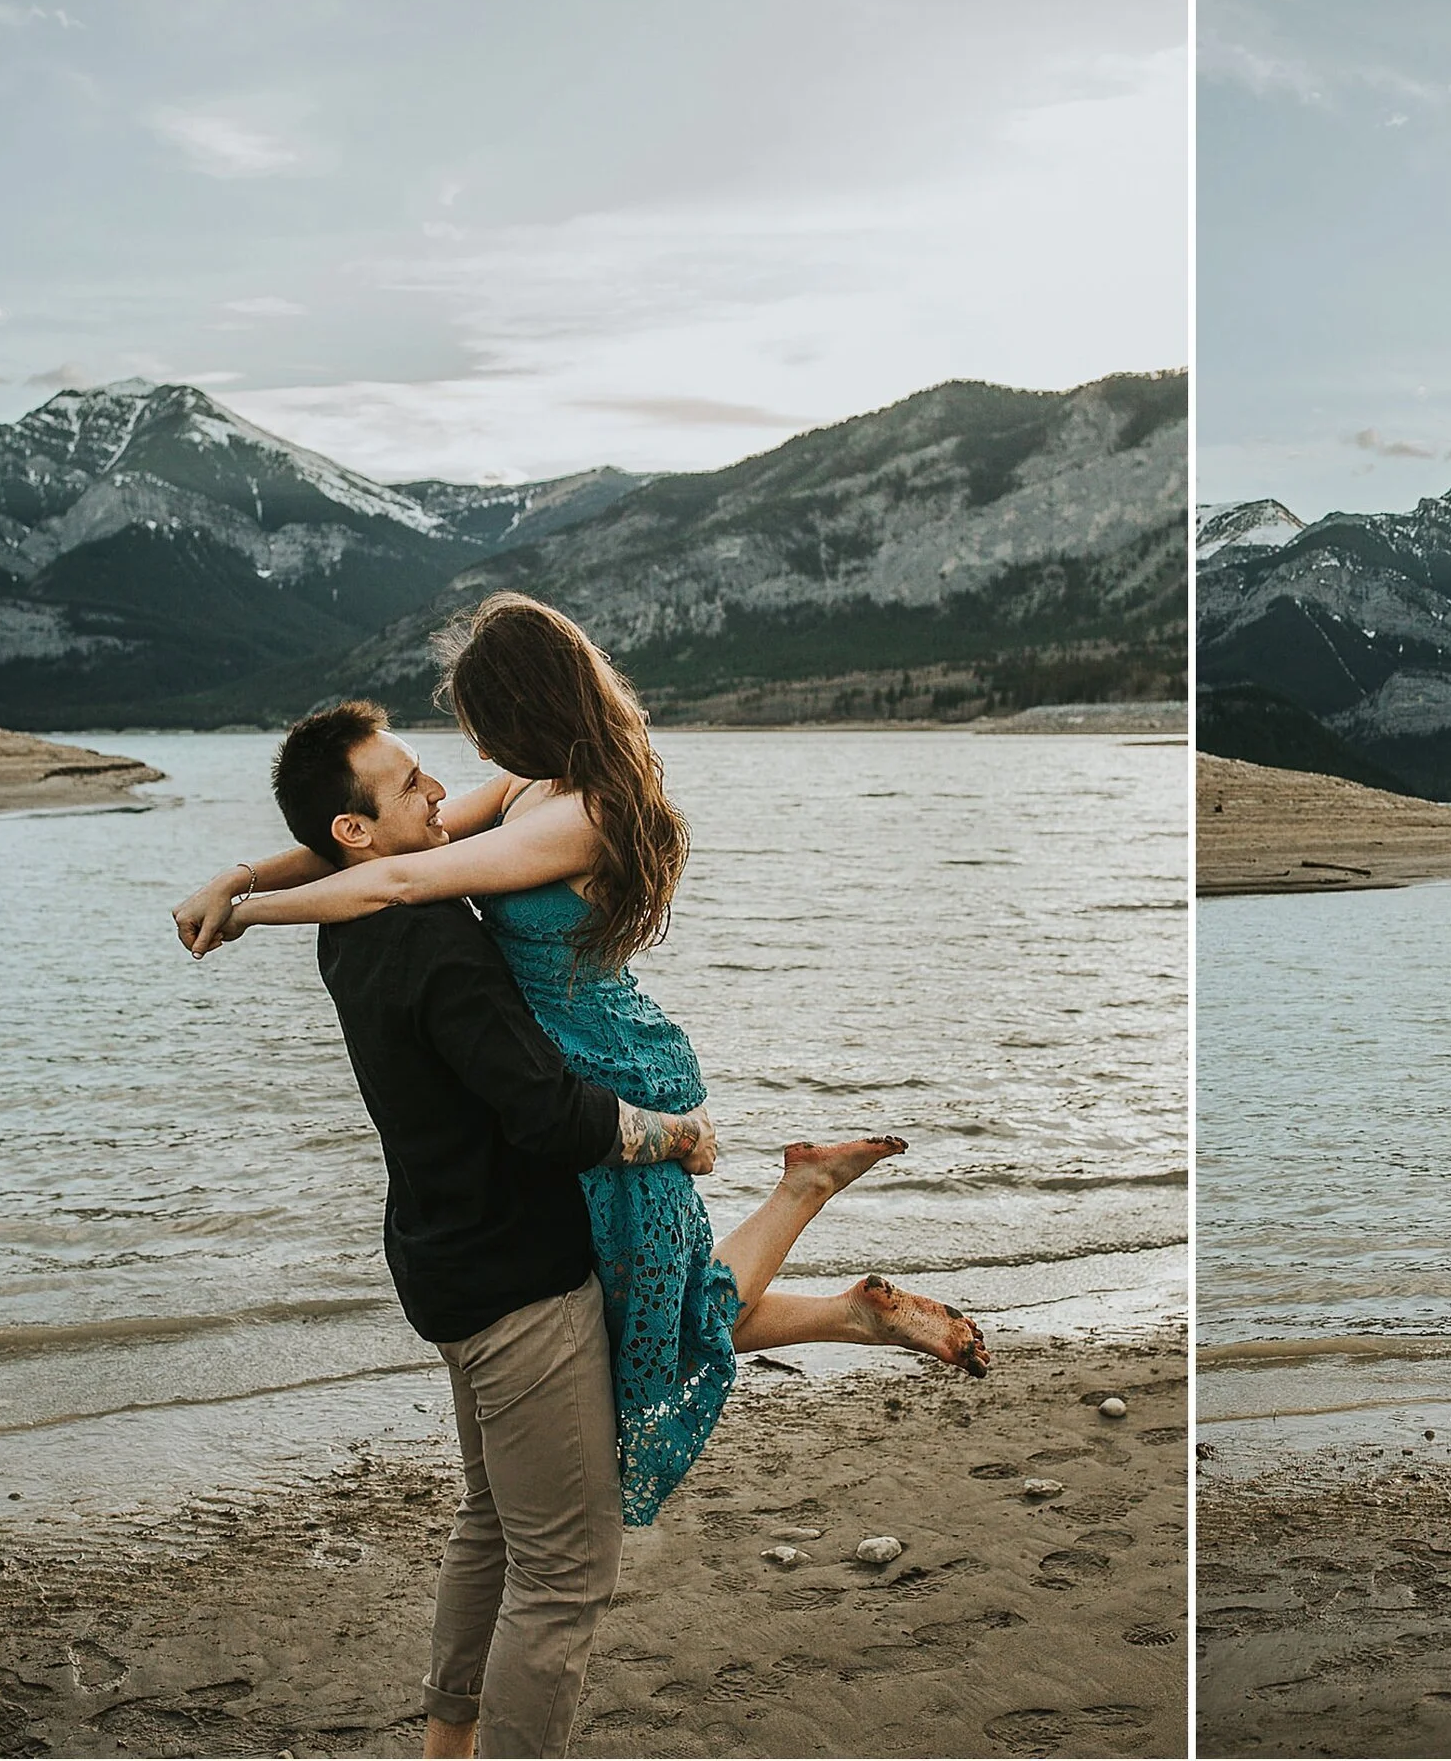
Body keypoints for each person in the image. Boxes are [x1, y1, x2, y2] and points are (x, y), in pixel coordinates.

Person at [173, 597, 987, 1538]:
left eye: (485, 725)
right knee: (658, 1309)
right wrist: (241, 876)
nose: (470, 757)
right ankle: (837, 1268)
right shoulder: (530, 787)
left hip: (614, 1076)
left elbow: (397, 876)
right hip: (582, 1068)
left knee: (656, 1321)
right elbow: (362, 837)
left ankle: (813, 1220)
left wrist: (243, 920)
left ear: (527, 713)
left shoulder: (584, 814)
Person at [230, 697, 713, 1758]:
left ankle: (447, 1744)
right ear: (355, 832)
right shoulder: (438, 944)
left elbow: (372, 864)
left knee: (489, 1519)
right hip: (516, 1286)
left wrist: (245, 881)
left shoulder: (348, 923)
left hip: (439, 1261)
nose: (439, 788)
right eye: (410, 784)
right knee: (564, 1579)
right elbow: (548, 1113)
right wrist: (669, 1136)